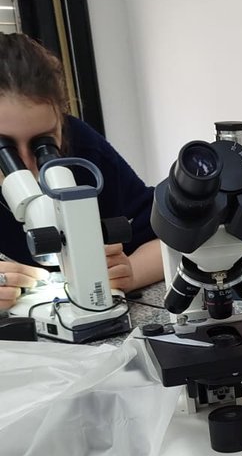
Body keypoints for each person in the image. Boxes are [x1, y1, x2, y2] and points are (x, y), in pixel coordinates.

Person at [0, 32, 162, 310]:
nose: (26, 164)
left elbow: (168, 237)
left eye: (43, 142)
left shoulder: (82, 148)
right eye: (5, 147)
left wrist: (129, 272)